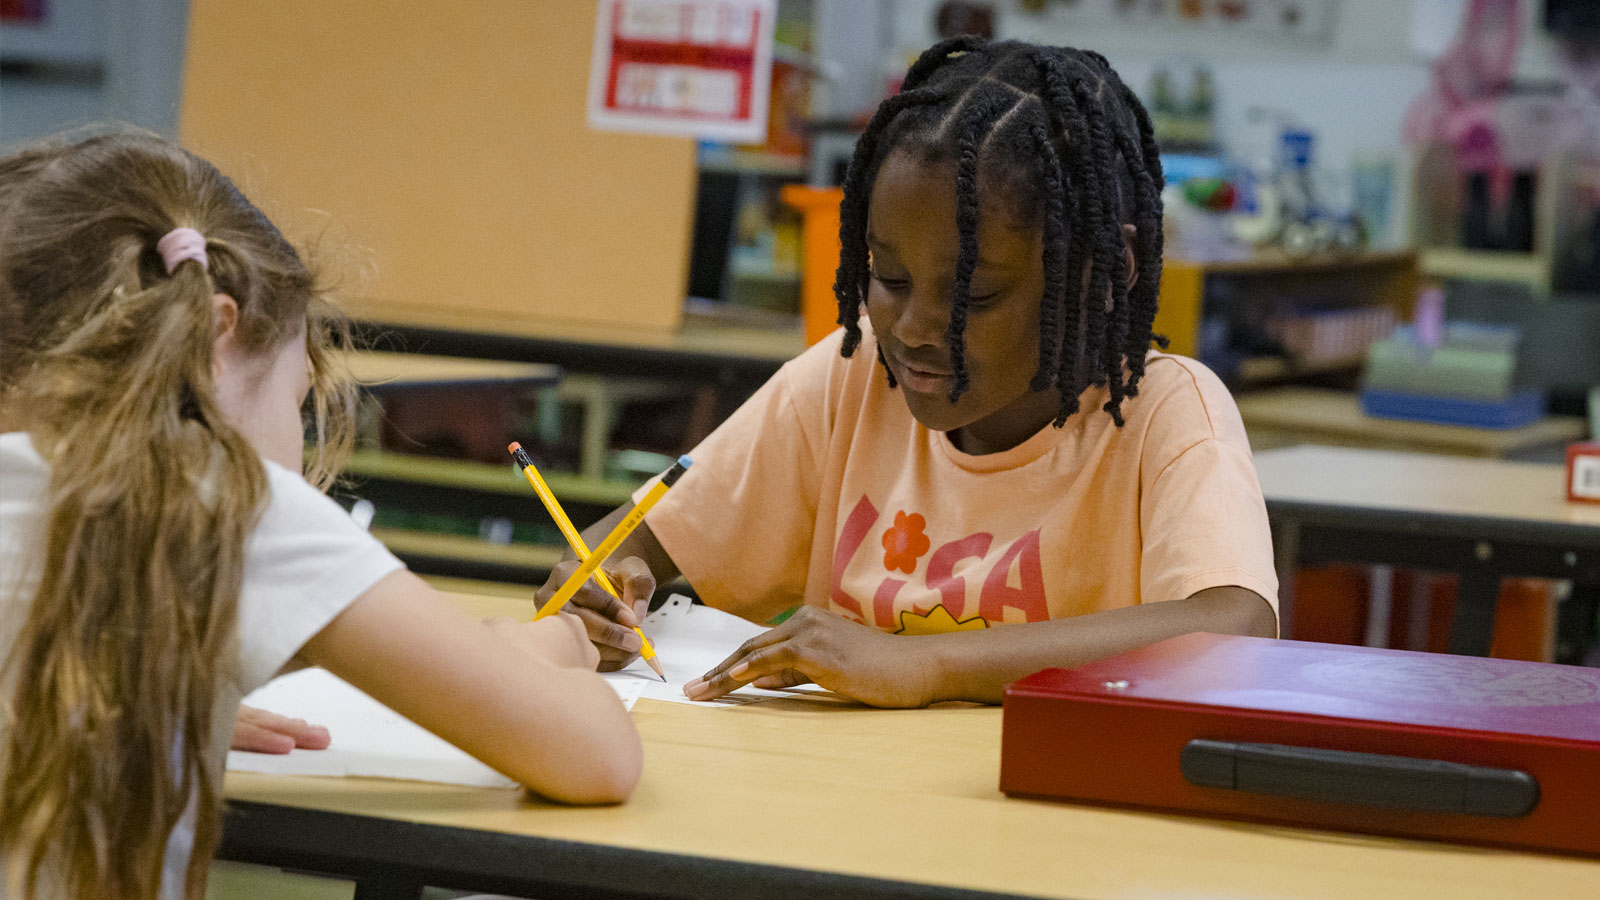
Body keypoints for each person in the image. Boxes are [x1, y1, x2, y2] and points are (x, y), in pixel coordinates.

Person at [540, 38, 1279, 707]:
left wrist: (927, 663)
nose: (915, 329)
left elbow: (1234, 626)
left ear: (1102, 274)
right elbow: (628, 542)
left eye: (975, 297)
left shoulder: (1164, 414)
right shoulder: (855, 375)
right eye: (888, 278)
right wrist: (600, 591)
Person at [0, 132, 643, 900]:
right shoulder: (221, 502)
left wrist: (172, 691)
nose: (299, 442)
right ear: (216, 337)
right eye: (298, 399)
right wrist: (543, 649)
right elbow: (598, 757)